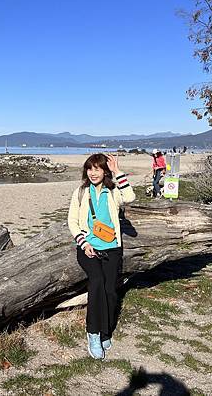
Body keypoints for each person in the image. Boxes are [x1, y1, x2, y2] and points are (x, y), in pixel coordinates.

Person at [67, 154, 136, 360]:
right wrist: (84, 242)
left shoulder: (113, 191)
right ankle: (93, 333)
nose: (93, 173)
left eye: (98, 169)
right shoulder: (81, 192)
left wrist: (118, 172)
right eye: (90, 169)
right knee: (96, 282)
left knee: (110, 291)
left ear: (104, 171)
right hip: (88, 248)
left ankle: (106, 331)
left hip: (112, 247)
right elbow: (72, 220)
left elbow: (130, 197)